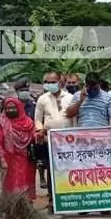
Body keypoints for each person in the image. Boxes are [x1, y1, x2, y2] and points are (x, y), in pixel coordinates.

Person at [34, 71, 74, 211]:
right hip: (49, 140)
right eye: (48, 82)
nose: (50, 85)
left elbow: (74, 119)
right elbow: (38, 119)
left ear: (60, 82)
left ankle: (69, 198)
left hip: (68, 141)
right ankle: (53, 200)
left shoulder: (70, 97)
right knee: (52, 171)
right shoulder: (42, 99)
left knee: (68, 170)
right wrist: (39, 132)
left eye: (53, 82)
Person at [0, 97, 37, 201]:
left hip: (27, 159)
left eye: (13, 108)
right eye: (7, 108)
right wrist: (2, 160)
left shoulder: (29, 123)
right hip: (10, 160)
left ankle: (26, 206)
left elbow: (33, 137)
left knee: (26, 182)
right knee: (12, 185)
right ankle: (13, 207)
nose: (10, 110)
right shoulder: (2, 124)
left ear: (19, 108)